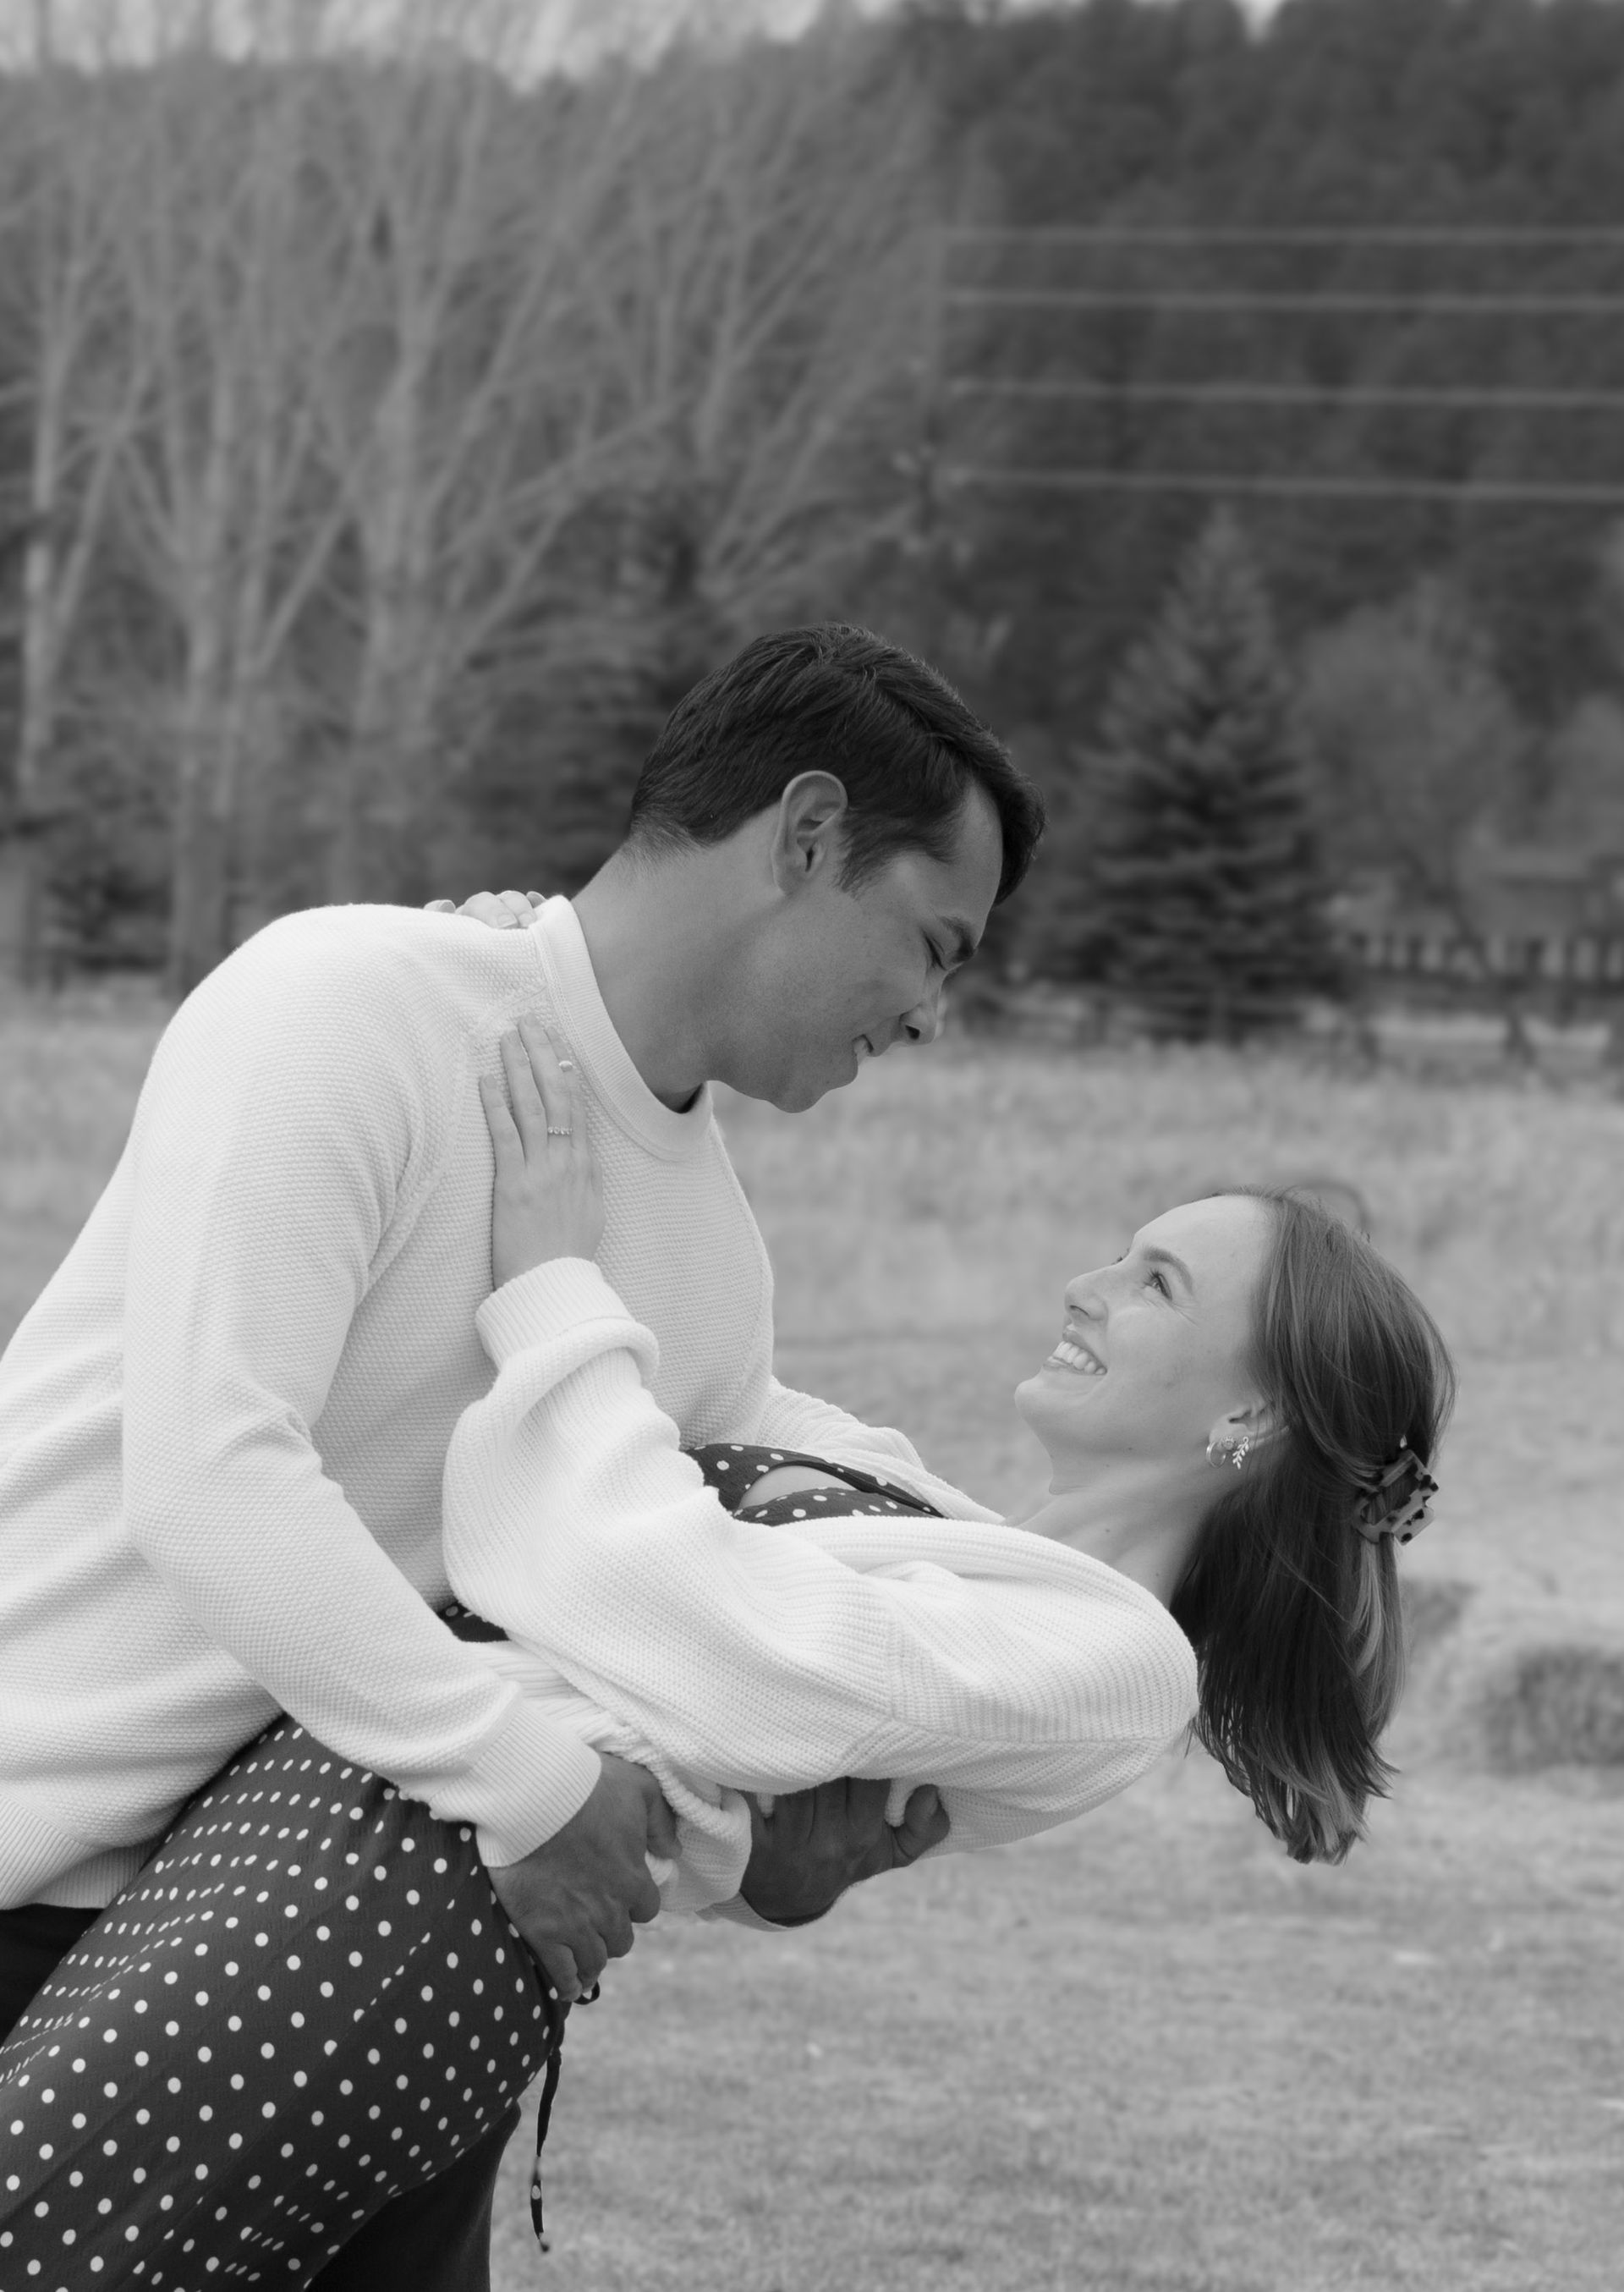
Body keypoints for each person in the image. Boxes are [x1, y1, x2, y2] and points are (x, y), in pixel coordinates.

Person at [0, 1031, 1454, 2285]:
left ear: (1250, 1425)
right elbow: (702, 1370)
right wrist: (576, 1017)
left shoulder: (1116, 1671)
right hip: (342, 1812)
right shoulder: (934, 1515)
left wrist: (556, 1275)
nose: (1084, 1283)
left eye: (1154, 1283)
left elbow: (672, 1609)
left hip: (398, 1898)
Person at [0, 624, 1044, 2287]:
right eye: (932, 944)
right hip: (38, 1881)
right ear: (804, 833)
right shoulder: (346, 1001)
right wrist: (531, 1785)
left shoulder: (713, 1260)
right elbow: (211, 1476)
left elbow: (619, 1614)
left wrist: (752, 1840)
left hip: (346, 1939)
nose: (929, 1012)